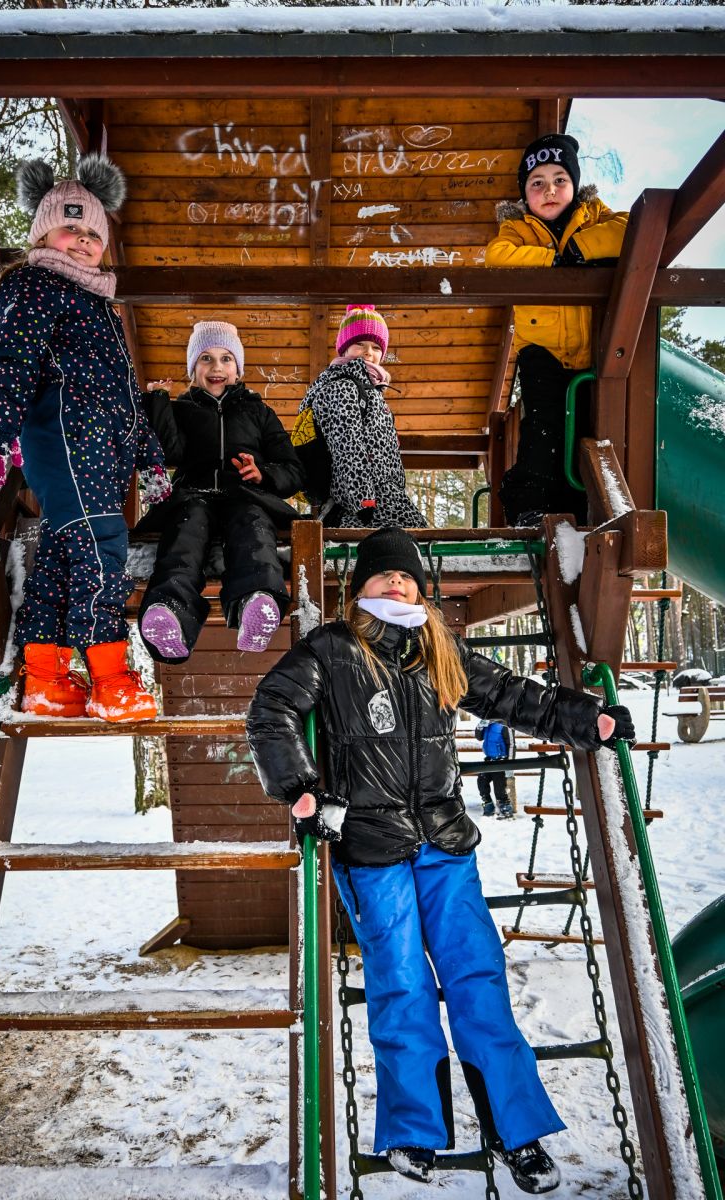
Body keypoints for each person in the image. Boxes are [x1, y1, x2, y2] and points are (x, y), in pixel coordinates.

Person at [246, 526, 635, 1195]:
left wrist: (586, 720)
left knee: (478, 979)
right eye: (382, 576)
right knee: (401, 986)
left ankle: (518, 1131)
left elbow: (514, 697)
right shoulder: (333, 650)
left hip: (446, 846)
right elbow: (271, 709)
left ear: (421, 590)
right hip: (371, 852)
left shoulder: (439, 650)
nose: (396, 584)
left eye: (406, 578)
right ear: (358, 588)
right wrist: (300, 789)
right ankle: (414, 1129)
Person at [0, 155, 170, 723]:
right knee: (104, 551)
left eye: (92, 233)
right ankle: (109, 676)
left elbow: (125, 396)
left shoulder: (97, 306)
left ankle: (46, 676)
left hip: (98, 454)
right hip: (63, 441)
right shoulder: (37, 286)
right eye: (70, 228)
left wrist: (150, 458)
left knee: (64, 556)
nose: (83, 241)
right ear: (43, 233)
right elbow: (12, 362)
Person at [136, 321, 305, 662]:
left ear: (238, 369)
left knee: (253, 527)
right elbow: (170, 453)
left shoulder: (258, 412)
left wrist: (263, 474)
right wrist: (158, 403)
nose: (217, 368)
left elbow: (293, 470)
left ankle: (255, 603)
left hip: (246, 495)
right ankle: (169, 612)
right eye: (206, 359)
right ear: (193, 369)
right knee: (184, 534)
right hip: (193, 494)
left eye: (227, 359)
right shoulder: (182, 410)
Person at [485, 134, 629, 527]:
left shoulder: (596, 216)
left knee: (585, 426)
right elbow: (497, 258)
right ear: (525, 194)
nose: (549, 190)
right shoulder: (518, 231)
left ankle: (578, 506)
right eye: (537, 183)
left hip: (591, 352)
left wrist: (580, 248)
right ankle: (528, 505)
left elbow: (630, 228)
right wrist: (556, 260)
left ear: (575, 185)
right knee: (542, 429)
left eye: (559, 179)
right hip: (542, 349)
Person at [295, 304, 426, 528]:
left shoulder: (370, 391)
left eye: (376, 347)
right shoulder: (341, 388)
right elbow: (347, 448)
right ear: (344, 348)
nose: (369, 352)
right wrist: (363, 503)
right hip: (360, 506)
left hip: (385, 498)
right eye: (360, 344)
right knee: (415, 549)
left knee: (426, 549)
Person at [475, 719, 516, 818]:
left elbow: (511, 745)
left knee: (499, 787)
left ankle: (505, 806)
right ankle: (488, 804)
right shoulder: (488, 723)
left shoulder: (505, 725)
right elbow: (479, 737)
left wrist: (510, 764)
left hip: (501, 761)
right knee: (481, 781)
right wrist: (480, 726)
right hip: (489, 759)